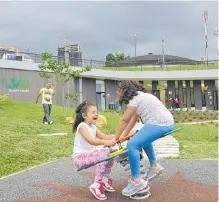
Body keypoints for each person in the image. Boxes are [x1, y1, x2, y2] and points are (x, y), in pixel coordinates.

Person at [113, 81, 174, 197]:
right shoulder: (141, 96)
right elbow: (133, 120)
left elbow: (124, 120)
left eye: (119, 91)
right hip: (167, 123)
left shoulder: (134, 100)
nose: (118, 94)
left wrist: (115, 138)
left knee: (132, 145)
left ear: (124, 91)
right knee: (141, 139)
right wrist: (123, 136)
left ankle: (136, 182)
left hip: (158, 124)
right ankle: (154, 166)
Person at [72, 101, 116, 201]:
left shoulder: (93, 127)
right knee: (105, 152)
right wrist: (106, 142)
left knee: (111, 152)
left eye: (96, 112)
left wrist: (118, 136)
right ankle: (96, 185)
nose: (96, 114)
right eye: (93, 112)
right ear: (84, 115)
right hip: (80, 159)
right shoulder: (82, 126)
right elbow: (91, 140)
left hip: (88, 156)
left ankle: (104, 180)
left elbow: (105, 137)